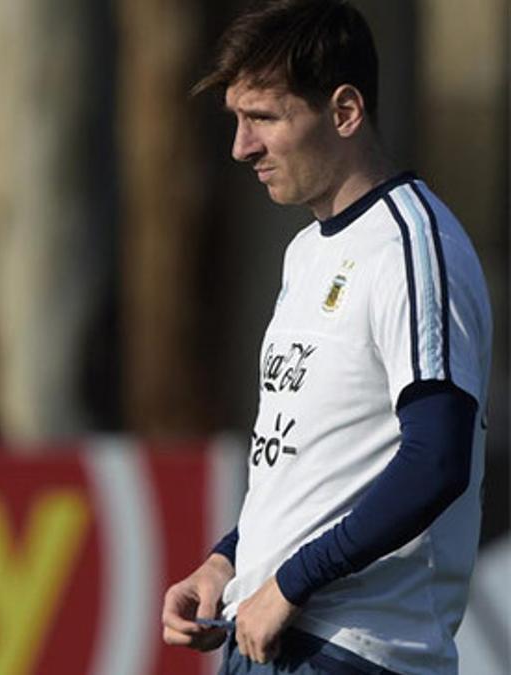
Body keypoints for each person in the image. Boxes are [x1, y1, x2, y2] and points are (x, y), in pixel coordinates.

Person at [161, 1, 491, 674]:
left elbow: (437, 459)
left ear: (345, 111)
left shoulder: (411, 247)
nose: (241, 147)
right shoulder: (307, 251)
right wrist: (228, 560)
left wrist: (291, 580)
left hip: (358, 648)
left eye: (263, 119)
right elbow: (310, 462)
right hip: (268, 634)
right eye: (237, 120)